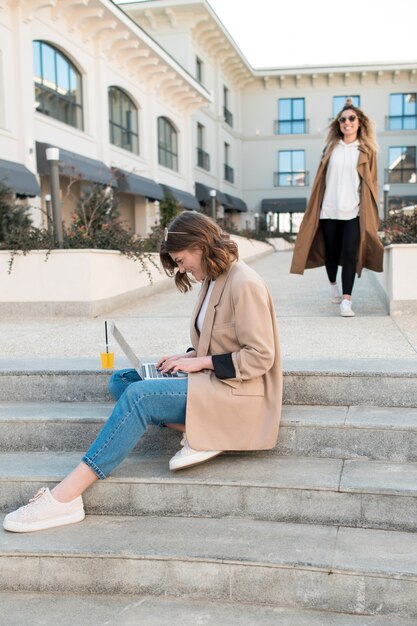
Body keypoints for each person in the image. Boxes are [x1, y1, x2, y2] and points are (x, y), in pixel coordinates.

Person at [3, 210, 282, 533]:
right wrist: (186, 356)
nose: (182, 269)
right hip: (213, 381)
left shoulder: (243, 282)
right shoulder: (214, 279)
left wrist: (200, 363)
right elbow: (220, 339)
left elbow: (260, 356)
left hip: (237, 393)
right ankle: (204, 432)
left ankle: (66, 497)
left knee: (139, 396)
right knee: (122, 381)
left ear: (200, 246)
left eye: (181, 260)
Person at [290, 98, 383, 317]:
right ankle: (333, 285)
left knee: (350, 253)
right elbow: (320, 181)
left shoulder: (367, 151)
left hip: (353, 211)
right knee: (331, 254)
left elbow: (372, 184)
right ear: (338, 124)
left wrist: (369, 211)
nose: (347, 122)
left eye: (351, 118)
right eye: (342, 119)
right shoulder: (330, 149)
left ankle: (347, 301)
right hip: (328, 211)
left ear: (359, 122)